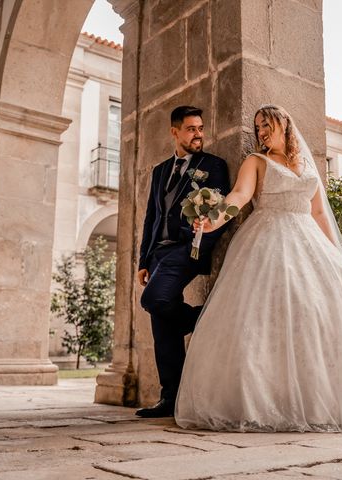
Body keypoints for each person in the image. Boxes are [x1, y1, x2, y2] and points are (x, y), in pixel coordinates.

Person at [175, 105, 342, 433]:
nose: (262, 132)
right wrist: (212, 222)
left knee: (318, 315)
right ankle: (268, 400)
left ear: (285, 124)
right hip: (268, 240)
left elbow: (319, 213)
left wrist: (337, 256)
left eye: (267, 125)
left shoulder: (307, 164)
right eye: (258, 128)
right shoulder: (257, 161)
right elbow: (240, 196)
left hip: (309, 242)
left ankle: (324, 399)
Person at [136, 106, 230, 418]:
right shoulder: (160, 171)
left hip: (188, 248)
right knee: (163, 326)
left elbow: (220, 209)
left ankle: (207, 316)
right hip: (159, 253)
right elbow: (152, 217)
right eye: (191, 129)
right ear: (175, 131)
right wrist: (143, 259)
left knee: (153, 299)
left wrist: (202, 235)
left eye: (200, 128)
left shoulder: (213, 165)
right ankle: (170, 398)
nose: (198, 134)